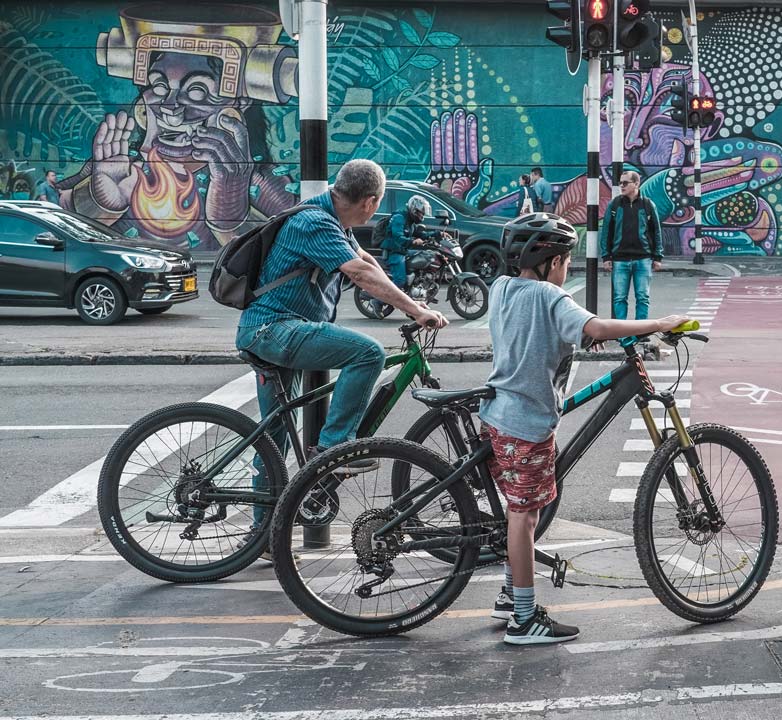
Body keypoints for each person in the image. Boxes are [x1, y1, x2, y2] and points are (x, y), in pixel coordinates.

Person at [480, 212, 687, 645]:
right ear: (551, 262)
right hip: (525, 424)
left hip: (498, 415)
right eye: (566, 260)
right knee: (524, 516)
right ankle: (523, 618)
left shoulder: (502, 287)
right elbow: (595, 328)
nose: (567, 268)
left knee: (519, 508)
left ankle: (507, 593)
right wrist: (657, 323)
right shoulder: (548, 297)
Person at [237, 160, 448, 559]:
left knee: (273, 437)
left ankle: (260, 537)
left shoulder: (333, 221)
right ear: (370, 202)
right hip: (275, 330)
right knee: (368, 353)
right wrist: (416, 313)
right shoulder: (315, 223)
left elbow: (366, 262)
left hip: (269, 331)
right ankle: (334, 450)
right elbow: (359, 274)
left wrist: (411, 304)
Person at [601, 171, 664, 319]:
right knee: (619, 298)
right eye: (620, 183)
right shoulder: (615, 205)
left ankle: (640, 332)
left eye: (625, 183)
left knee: (642, 298)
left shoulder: (647, 204)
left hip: (643, 259)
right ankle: (622, 334)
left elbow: (656, 231)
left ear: (636, 184)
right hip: (620, 259)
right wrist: (606, 256)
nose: (621, 186)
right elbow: (606, 231)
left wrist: (657, 257)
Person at [382, 195, 429, 289]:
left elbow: (419, 233)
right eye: (421, 213)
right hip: (394, 252)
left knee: (427, 255)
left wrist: (438, 234)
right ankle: (377, 302)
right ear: (414, 210)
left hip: (403, 251)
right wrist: (413, 241)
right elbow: (398, 238)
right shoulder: (399, 218)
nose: (422, 216)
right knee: (400, 281)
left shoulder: (410, 220)